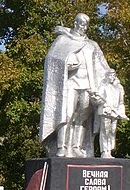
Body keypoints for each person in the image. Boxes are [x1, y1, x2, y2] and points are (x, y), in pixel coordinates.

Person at [39, 13, 110, 157]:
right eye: (82, 25)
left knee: (82, 117)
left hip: (88, 86)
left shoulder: (91, 45)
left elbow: (103, 67)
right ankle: (62, 147)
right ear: (76, 23)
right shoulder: (63, 40)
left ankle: (77, 146)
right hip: (70, 84)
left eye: (86, 26)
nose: (84, 28)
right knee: (67, 114)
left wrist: (110, 82)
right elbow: (52, 59)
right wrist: (66, 64)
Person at [96, 70, 129, 158]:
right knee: (105, 131)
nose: (112, 77)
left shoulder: (118, 88)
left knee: (113, 131)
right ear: (107, 76)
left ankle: (109, 150)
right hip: (105, 112)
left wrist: (122, 112)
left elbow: (121, 102)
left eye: (113, 75)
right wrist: (102, 103)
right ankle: (104, 151)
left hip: (115, 113)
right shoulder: (103, 87)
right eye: (110, 75)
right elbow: (97, 100)